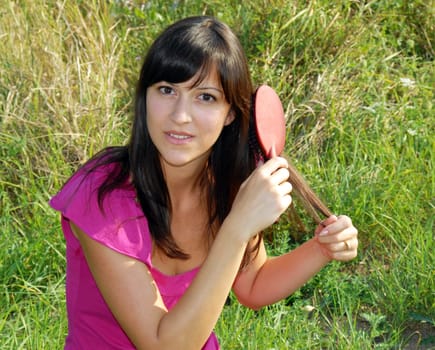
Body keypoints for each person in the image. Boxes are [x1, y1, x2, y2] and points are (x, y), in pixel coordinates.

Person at [49, 15, 358, 349]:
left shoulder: (226, 183)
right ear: (144, 98)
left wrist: (321, 249)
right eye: (167, 90)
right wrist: (237, 227)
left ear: (230, 113)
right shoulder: (103, 194)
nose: (180, 115)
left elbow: (252, 284)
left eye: (205, 97)